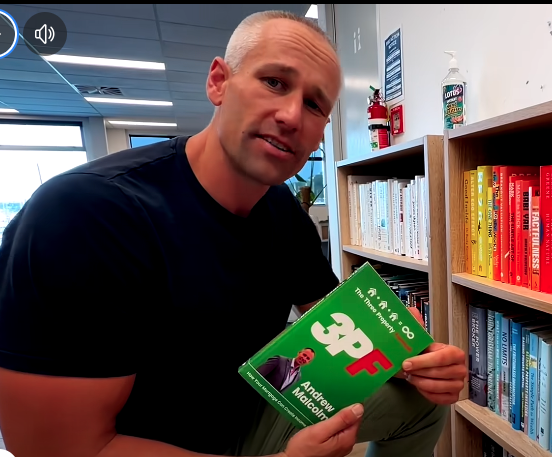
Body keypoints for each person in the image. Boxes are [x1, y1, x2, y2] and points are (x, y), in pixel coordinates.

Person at [0, 10, 466, 457]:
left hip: (246, 411)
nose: (290, 115)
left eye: (314, 104)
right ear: (219, 81)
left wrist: (416, 359)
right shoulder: (88, 215)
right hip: (144, 445)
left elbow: (339, 323)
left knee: (423, 403)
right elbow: (53, 446)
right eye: (274, 82)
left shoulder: (279, 209)